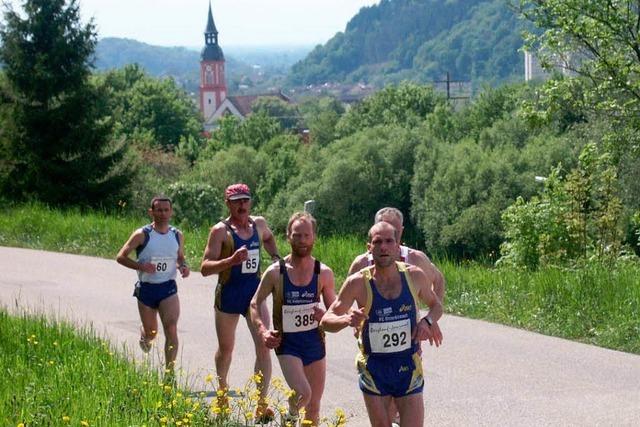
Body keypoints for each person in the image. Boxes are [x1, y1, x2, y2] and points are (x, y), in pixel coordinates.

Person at [321, 222, 443, 427]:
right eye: (377, 242)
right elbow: (326, 321)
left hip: (408, 367)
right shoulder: (357, 282)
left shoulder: (414, 276)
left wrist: (427, 322)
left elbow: (436, 306)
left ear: (398, 246)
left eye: (389, 241)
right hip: (374, 369)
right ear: (369, 248)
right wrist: (346, 320)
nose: (383, 247)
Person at [200, 183, 280, 420]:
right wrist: (231, 261)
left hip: (254, 295)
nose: (242, 205)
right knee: (226, 349)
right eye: (236, 201)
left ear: (250, 202)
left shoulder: (260, 224)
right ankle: (223, 395)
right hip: (229, 294)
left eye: (245, 200)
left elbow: (269, 238)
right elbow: (204, 267)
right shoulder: (220, 231)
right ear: (228, 203)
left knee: (264, 346)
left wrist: (275, 257)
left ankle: (261, 404)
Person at [250, 212, 336, 426]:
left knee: (314, 407)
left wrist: (326, 315)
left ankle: (291, 419)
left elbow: (335, 308)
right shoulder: (275, 273)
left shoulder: (323, 273)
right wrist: (262, 331)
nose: (302, 241)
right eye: (297, 235)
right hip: (288, 345)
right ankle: (289, 416)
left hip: (315, 344)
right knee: (302, 393)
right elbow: (254, 304)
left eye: (306, 235)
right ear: (288, 236)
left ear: (314, 236)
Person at [116, 196, 190, 372]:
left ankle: (169, 373)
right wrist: (141, 266)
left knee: (171, 328)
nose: (163, 213)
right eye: (159, 210)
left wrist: (183, 267)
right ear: (151, 212)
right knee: (152, 333)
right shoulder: (142, 234)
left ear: (171, 212)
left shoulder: (177, 235)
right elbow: (120, 257)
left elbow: (179, 257)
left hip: (168, 288)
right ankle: (145, 335)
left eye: (166, 210)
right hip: (147, 289)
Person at [348, 207, 445, 302]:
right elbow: (344, 300)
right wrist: (353, 316)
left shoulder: (416, 259)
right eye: (385, 229)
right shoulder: (361, 263)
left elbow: (438, 279)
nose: (390, 234)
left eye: (395, 231)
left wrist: (431, 317)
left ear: (402, 230)